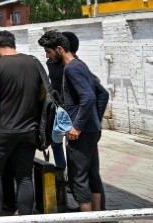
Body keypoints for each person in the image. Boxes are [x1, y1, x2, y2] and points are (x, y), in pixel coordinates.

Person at [38, 30, 108, 213]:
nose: (47, 56)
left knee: (78, 179)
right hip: (91, 130)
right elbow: (101, 94)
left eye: (48, 51)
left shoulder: (70, 68)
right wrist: (94, 120)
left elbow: (88, 98)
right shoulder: (81, 65)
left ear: (59, 49)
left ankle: (87, 217)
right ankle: (98, 216)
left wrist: (77, 126)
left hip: (82, 133)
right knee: (92, 175)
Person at [0, 30, 44, 217]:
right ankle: (25, 217)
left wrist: (2, 104)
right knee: (25, 176)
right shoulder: (33, 63)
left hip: (4, 129)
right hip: (29, 130)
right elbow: (43, 93)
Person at [45, 31, 78, 171]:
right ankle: (66, 175)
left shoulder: (55, 63)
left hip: (63, 107)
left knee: (62, 144)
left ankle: (65, 173)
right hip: (64, 107)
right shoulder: (69, 64)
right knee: (63, 144)